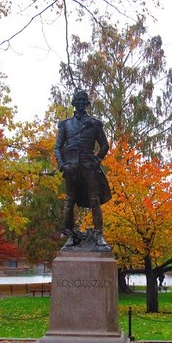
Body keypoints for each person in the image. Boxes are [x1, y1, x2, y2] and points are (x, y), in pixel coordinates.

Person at [54, 89, 112, 248]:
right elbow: (57, 147)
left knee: (95, 200)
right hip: (71, 167)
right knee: (69, 201)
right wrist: (62, 165)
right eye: (77, 101)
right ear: (74, 103)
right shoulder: (65, 125)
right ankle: (70, 235)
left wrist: (98, 159)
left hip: (88, 165)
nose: (80, 104)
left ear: (86, 104)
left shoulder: (94, 124)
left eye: (83, 101)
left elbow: (105, 145)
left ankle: (99, 235)